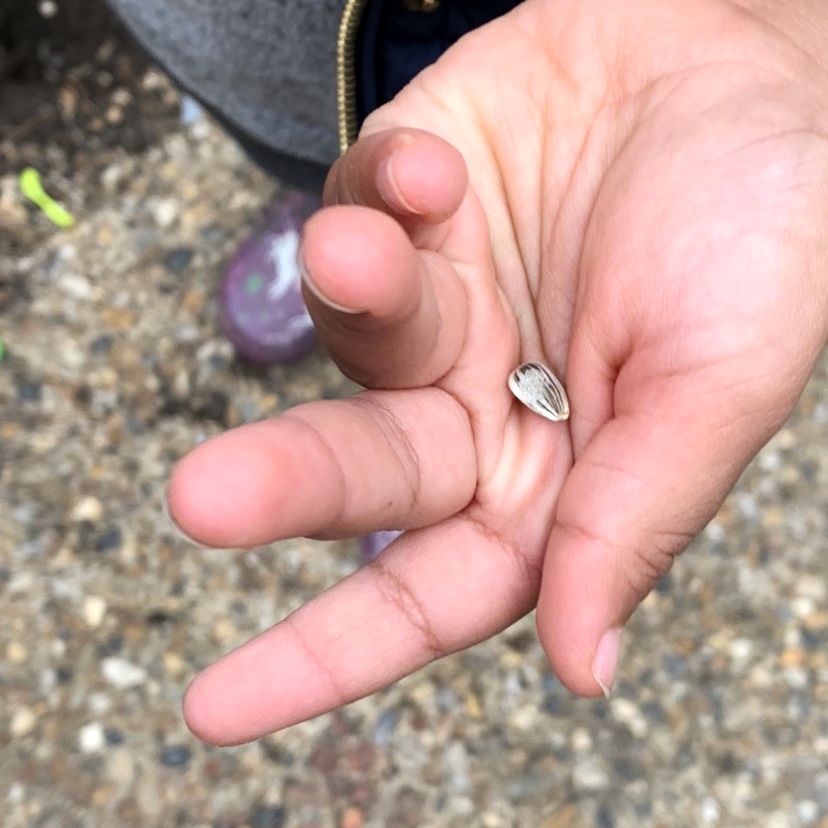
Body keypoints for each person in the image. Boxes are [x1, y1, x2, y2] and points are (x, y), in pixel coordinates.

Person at [125, 0, 828, 746]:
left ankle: (350, 241)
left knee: (396, 206)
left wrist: (786, 33)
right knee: (323, 149)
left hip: (589, 67)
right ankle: (319, 204)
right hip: (257, 38)